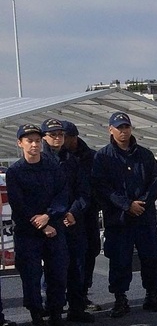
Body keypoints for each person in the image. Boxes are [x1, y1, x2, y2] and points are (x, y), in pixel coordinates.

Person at [91, 111, 157, 318]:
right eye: (119, 127)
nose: (123, 131)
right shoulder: (102, 157)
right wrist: (127, 205)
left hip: (144, 217)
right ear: (110, 130)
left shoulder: (145, 155)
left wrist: (141, 203)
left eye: (126, 127)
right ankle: (120, 299)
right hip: (118, 219)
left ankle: (152, 296)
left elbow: (155, 179)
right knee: (119, 260)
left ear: (131, 128)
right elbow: (102, 187)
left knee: (151, 258)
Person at [5, 123, 75, 326]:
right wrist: (42, 224)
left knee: (58, 275)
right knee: (31, 278)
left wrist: (49, 217)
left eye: (37, 140)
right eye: (29, 141)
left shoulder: (53, 167)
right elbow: (19, 204)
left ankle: (56, 319)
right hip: (29, 233)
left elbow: (63, 194)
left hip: (54, 228)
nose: (34, 144)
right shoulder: (15, 172)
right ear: (20, 144)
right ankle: (37, 322)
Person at [41, 118, 94, 323]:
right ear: (45, 136)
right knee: (54, 268)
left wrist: (73, 212)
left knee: (77, 266)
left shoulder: (73, 161)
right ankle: (52, 310)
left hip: (72, 221)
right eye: (52, 134)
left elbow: (83, 191)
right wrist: (54, 215)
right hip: (50, 223)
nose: (57, 138)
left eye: (60, 134)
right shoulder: (38, 161)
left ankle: (76, 308)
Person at [61, 120, 102, 312]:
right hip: (64, 214)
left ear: (74, 137)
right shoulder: (56, 158)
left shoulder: (91, 157)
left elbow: (95, 186)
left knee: (90, 252)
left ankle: (82, 294)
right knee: (62, 256)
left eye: (65, 137)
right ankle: (56, 298)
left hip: (88, 212)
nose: (61, 140)